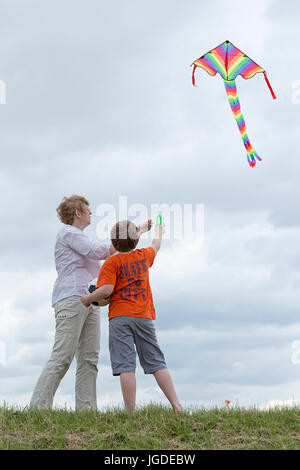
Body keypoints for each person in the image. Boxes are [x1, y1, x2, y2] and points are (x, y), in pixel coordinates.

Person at [29, 195, 151, 410]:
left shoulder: (79, 236)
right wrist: (137, 231)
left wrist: (136, 232)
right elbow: (101, 251)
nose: (91, 213)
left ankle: (86, 412)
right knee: (62, 356)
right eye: (87, 210)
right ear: (78, 213)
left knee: (89, 358)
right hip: (71, 298)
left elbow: (115, 249)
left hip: (90, 301)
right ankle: (37, 408)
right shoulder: (68, 233)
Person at [81, 219, 182, 412]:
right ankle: (177, 406)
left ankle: (130, 412)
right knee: (156, 362)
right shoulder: (144, 255)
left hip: (120, 318)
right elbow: (156, 245)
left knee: (126, 365)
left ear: (113, 243)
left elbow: (106, 291)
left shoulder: (111, 263)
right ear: (136, 242)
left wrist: (88, 298)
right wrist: (158, 231)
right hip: (143, 316)